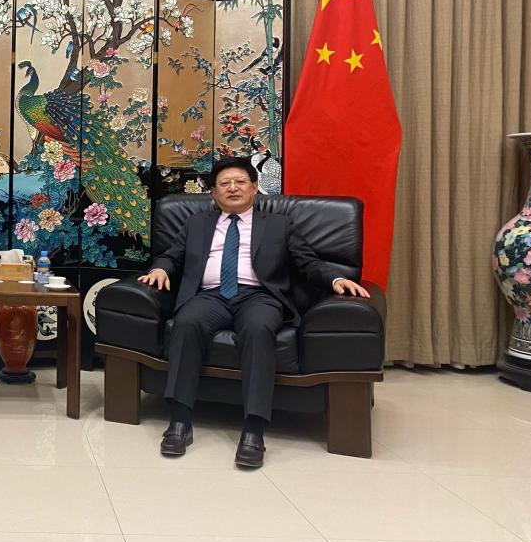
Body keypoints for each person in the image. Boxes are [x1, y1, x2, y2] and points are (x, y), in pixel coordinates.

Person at [138, 156, 369, 468]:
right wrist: (160, 269)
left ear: (255, 187)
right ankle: (179, 421)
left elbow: (308, 262)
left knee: (259, 329)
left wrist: (336, 279)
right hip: (210, 296)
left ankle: (254, 429)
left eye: (240, 182)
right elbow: (172, 255)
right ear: (213, 192)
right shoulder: (197, 223)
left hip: (259, 297)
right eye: (224, 183)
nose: (232, 188)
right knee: (187, 322)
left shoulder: (278, 224)